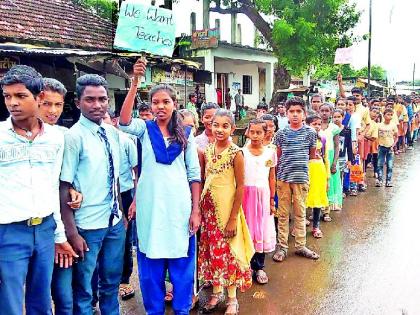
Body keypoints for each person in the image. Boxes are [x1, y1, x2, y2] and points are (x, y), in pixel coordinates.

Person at [119, 58, 201, 315]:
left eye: (166, 102)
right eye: (156, 102)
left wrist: (195, 210)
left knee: (182, 264)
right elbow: (123, 121)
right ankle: (153, 310)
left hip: (179, 208)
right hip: (150, 208)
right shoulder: (144, 129)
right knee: (150, 263)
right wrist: (135, 82)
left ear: (175, 105)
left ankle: (182, 309)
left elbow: (194, 175)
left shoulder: (186, 134)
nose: (160, 106)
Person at [0, 65, 76, 315]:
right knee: (10, 303)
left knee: (41, 301)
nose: (13, 103)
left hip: (44, 230)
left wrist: (59, 235)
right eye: (7, 96)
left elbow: (53, 185)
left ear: (39, 97)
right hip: (8, 231)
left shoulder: (55, 138)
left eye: (21, 96)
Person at [60, 74, 126, 315]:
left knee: (111, 282)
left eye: (102, 99)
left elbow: (115, 176)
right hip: (87, 226)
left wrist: (121, 213)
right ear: (77, 102)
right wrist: (71, 232)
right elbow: (63, 185)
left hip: (114, 222)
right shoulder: (73, 137)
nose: (97, 105)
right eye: (90, 99)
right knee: (84, 288)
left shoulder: (111, 133)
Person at [198, 109, 254, 315]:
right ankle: (216, 292)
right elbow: (204, 180)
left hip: (227, 213)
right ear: (210, 126)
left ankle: (232, 298)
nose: (219, 129)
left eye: (225, 126)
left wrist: (232, 219)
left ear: (232, 128)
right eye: (216, 125)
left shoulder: (236, 153)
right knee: (213, 253)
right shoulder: (208, 150)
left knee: (229, 253)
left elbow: (240, 186)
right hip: (209, 213)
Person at [40, 77, 83, 315]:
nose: (53, 110)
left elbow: (69, 174)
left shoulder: (64, 135)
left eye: (58, 104)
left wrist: (74, 188)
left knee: (65, 297)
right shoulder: (12, 137)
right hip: (32, 228)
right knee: (37, 295)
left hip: (62, 223)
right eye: (47, 104)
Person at [272, 96, 319, 262]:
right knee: (283, 214)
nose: (295, 114)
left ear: (305, 114)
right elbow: (277, 157)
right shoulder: (280, 134)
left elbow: (312, 156)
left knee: (300, 213)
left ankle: (300, 245)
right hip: (283, 179)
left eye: (298, 111)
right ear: (286, 113)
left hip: (301, 179)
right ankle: (282, 247)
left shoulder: (311, 133)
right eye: (291, 111)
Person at [102, 110, 138, 301]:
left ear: (114, 121)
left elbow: (136, 171)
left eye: (105, 119)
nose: (102, 122)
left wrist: (135, 200)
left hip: (124, 195)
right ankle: (97, 290)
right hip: (98, 197)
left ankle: (124, 280)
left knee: (123, 240)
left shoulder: (124, 141)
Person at [242, 119, 276, 285]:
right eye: (252, 132)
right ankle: (245, 266)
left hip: (263, 195)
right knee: (247, 230)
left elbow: (271, 176)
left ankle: (259, 267)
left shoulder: (270, 153)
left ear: (265, 134)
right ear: (247, 132)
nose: (255, 136)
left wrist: (271, 200)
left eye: (259, 132)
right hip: (245, 196)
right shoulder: (241, 152)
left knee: (261, 229)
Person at [305, 114, 330, 239]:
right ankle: (299, 226)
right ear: (307, 124)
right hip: (305, 170)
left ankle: (316, 226)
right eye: (314, 124)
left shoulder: (323, 139)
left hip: (319, 170)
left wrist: (328, 177)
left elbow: (326, 158)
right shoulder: (303, 139)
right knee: (301, 198)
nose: (317, 126)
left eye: (319, 124)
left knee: (318, 199)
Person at [319, 103, 341, 215]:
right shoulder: (315, 126)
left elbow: (337, 146)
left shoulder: (334, 128)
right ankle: (318, 208)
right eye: (322, 110)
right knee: (319, 182)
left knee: (330, 181)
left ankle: (327, 209)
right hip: (318, 157)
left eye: (327, 111)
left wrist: (334, 163)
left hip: (331, 156)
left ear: (331, 112)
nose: (324, 113)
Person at [332, 109, 354, 197]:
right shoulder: (330, 129)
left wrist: (350, 160)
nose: (336, 119)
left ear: (343, 117)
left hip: (342, 156)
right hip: (332, 155)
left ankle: (340, 191)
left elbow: (349, 146)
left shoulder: (347, 130)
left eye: (339, 117)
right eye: (334, 117)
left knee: (341, 174)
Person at [376, 108, 398, 187]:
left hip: (390, 147)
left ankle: (388, 181)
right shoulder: (379, 125)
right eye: (388, 114)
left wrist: (393, 145)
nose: (390, 116)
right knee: (379, 164)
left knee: (390, 165)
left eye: (391, 115)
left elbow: (396, 136)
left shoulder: (393, 125)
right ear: (384, 115)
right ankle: (379, 180)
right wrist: (377, 145)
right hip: (381, 146)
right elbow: (376, 136)